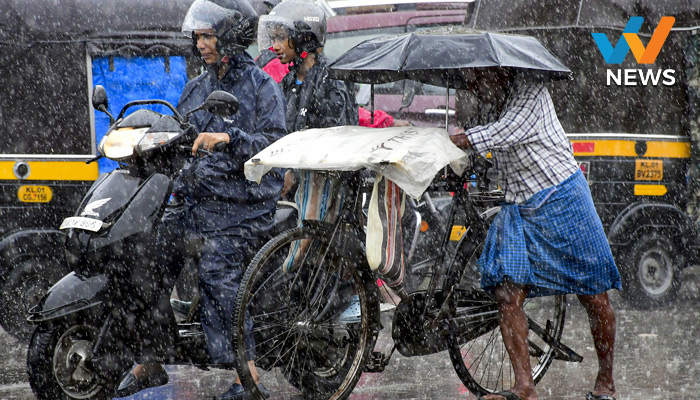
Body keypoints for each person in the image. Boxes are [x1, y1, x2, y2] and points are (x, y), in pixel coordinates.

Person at [115, 1, 286, 399]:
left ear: (229, 37)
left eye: (208, 35)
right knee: (144, 256)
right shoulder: (195, 88)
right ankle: (151, 357)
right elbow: (178, 135)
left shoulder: (263, 87)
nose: (200, 43)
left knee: (216, 269)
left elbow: (275, 145)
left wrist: (231, 138)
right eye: (198, 36)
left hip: (243, 204)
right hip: (197, 200)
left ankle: (249, 376)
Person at [450, 70, 621, 400]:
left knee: (594, 295)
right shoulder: (489, 103)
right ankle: (525, 387)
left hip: (562, 198)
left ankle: (606, 382)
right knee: (506, 293)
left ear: (499, 73)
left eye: (477, 79)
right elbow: (488, 143)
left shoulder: (531, 93)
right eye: (469, 81)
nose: (473, 87)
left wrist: (452, 141)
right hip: (519, 204)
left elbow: (502, 133)